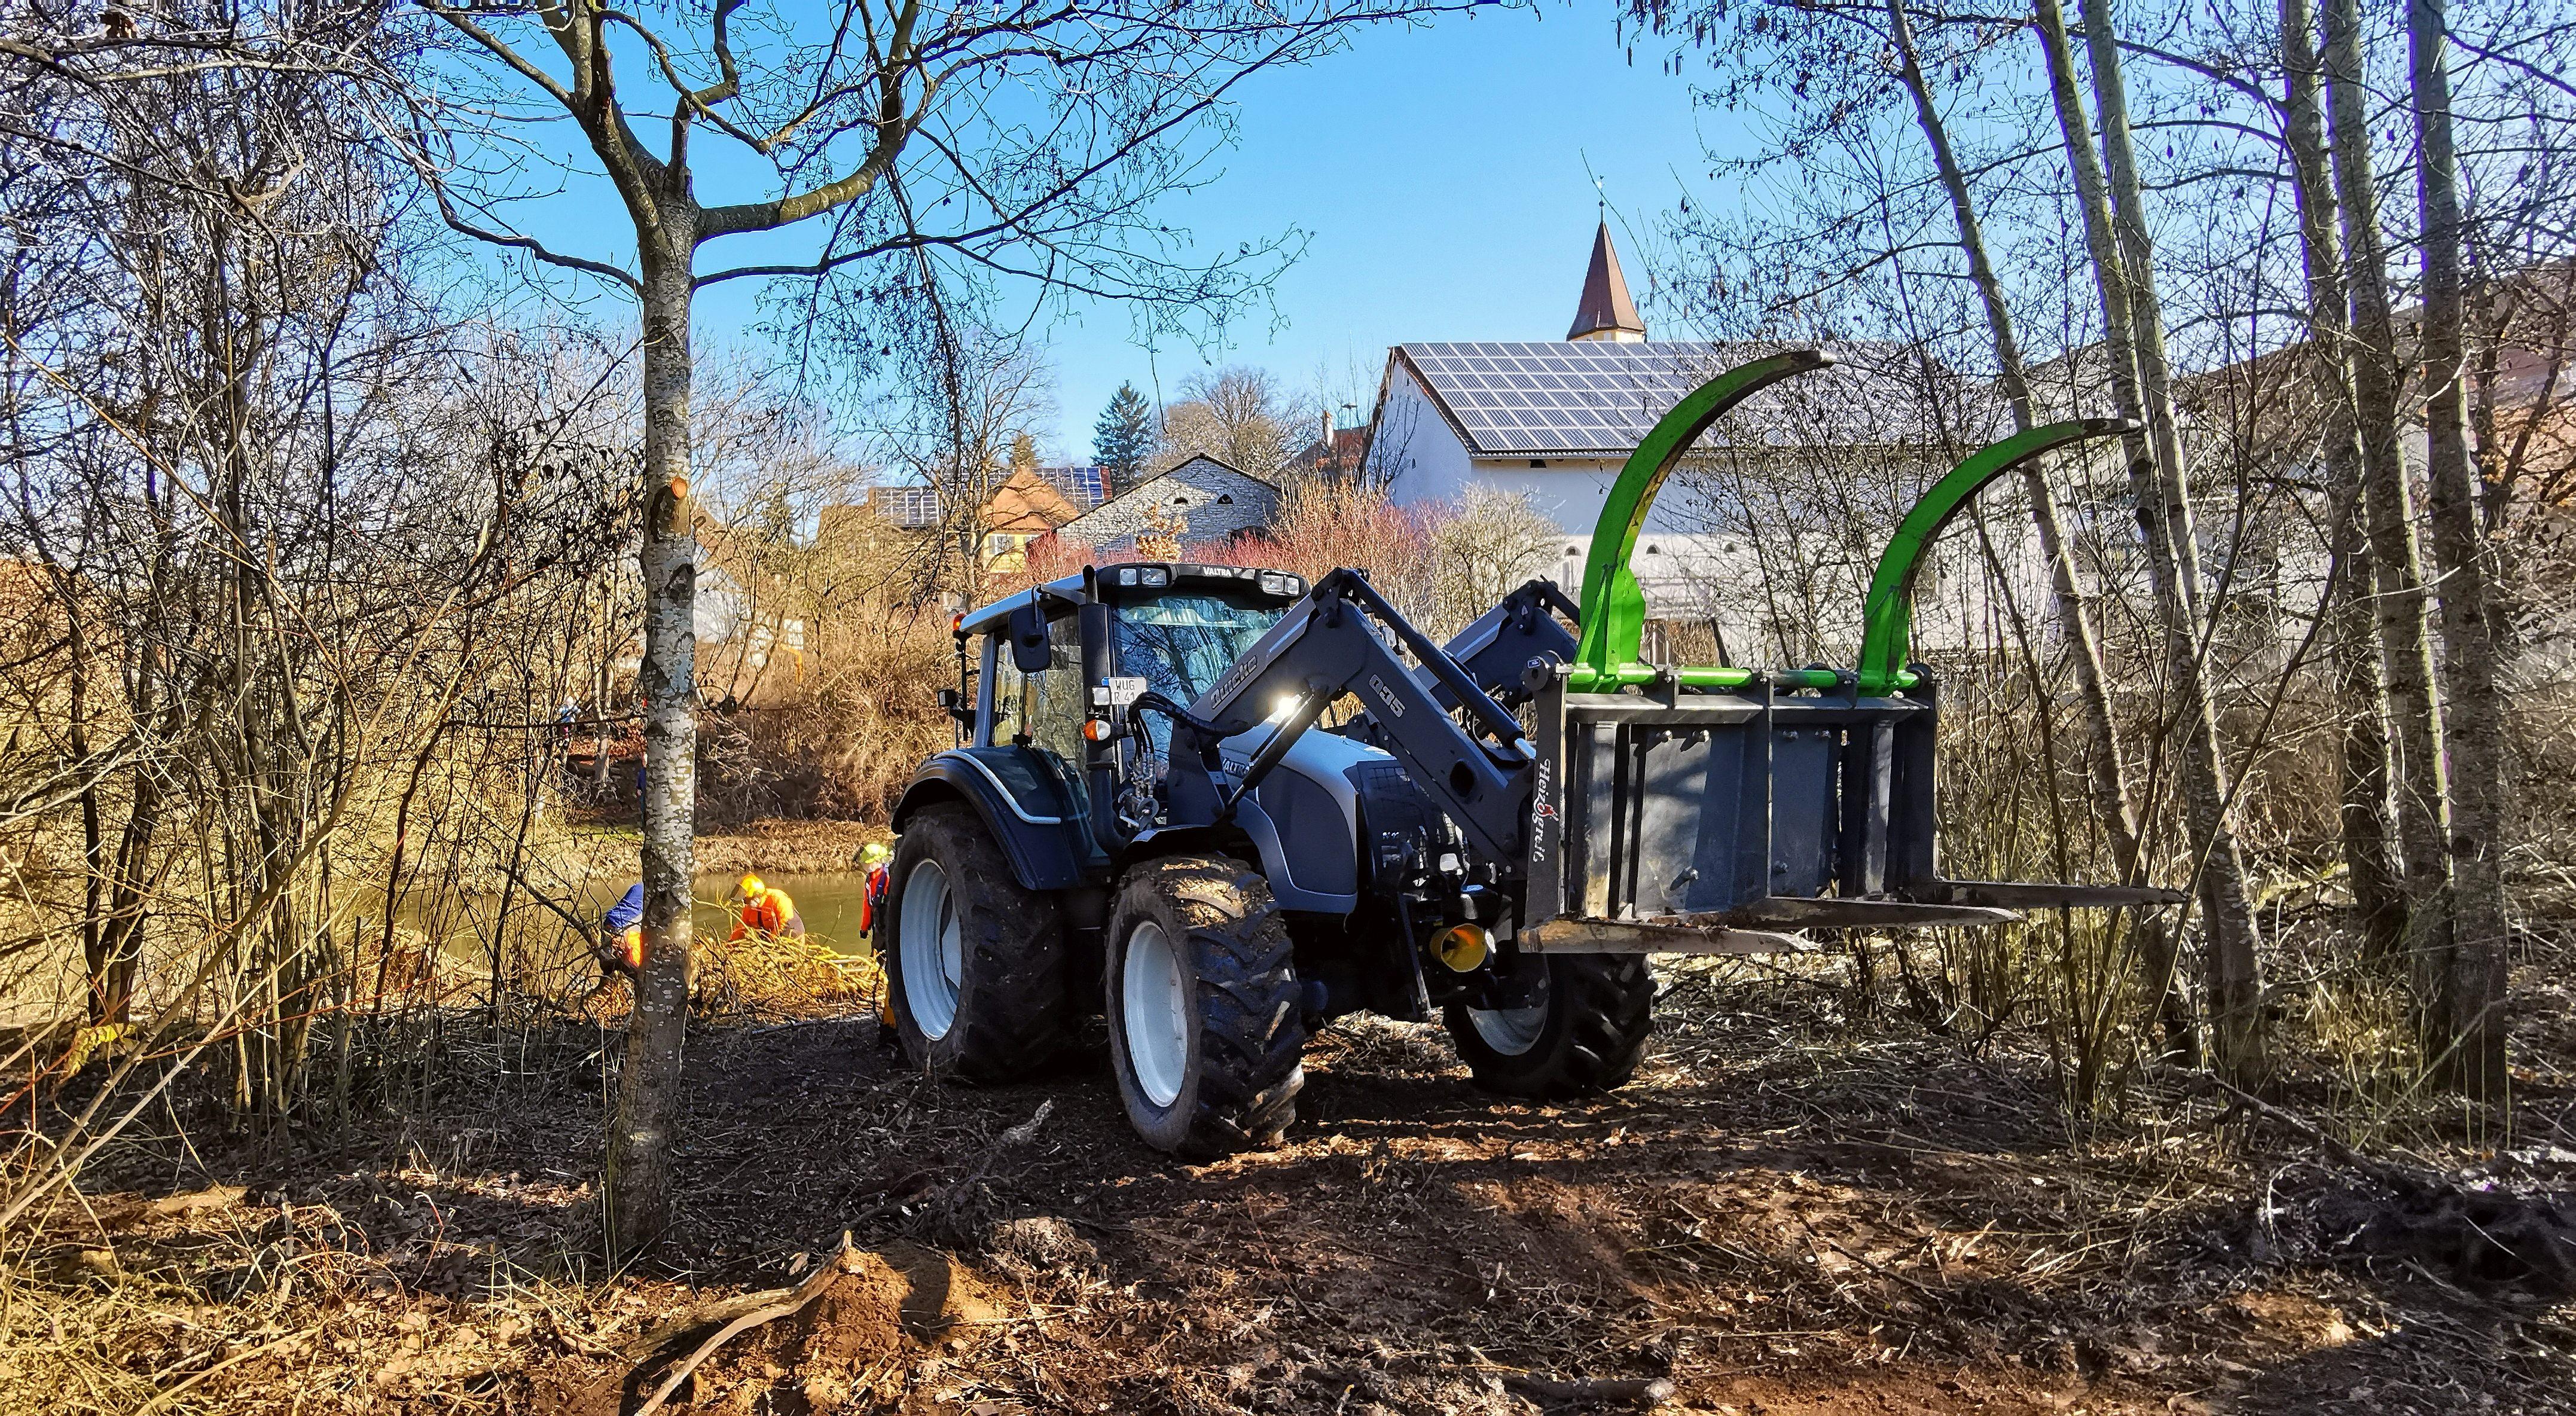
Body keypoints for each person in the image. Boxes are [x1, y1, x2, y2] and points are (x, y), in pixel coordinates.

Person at [730, 874, 805, 942]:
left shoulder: (778, 898)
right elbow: (741, 928)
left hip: (791, 934)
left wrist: (773, 938)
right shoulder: (749, 909)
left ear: (756, 895)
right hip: (768, 939)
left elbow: (785, 921)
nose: (745, 902)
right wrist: (731, 942)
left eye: (747, 899)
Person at [597, 881, 645, 975]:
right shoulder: (657, 896)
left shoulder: (640, 886)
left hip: (608, 924)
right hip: (623, 930)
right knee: (637, 970)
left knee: (609, 967)